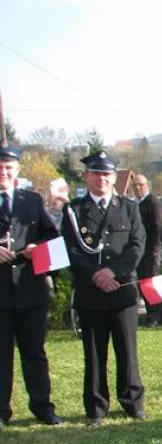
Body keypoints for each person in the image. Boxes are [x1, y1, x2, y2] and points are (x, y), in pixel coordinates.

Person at [59, 151, 146, 427]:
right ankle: (96, 407)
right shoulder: (73, 211)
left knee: (127, 350)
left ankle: (132, 402)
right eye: (96, 173)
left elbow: (137, 245)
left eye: (107, 174)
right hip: (91, 292)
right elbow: (70, 250)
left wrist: (113, 271)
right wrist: (96, 275)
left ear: (114, 177)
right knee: (95, 353)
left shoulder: (129, 207)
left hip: (122, 291)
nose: (102, 179)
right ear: (87, 177)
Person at [0, 147, 64, 429]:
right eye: (0, 168)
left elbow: (52, 236)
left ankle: (42, 407)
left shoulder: (32, 201)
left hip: (30, 290)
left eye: (9, 169)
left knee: (34, 353)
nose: (4, 173)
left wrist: (37, 248)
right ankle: (1, 411)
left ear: (17, 172)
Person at [131, 174, 162, 326]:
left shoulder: (153, 202)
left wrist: (155, 248)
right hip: (138, 250)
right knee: (141, 282)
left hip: (151, 249)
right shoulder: (133, 203)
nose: (138, 188)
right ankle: (152, 312)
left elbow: (158, 226)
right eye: (135, 185)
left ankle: (155, 316)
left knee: (151, 282)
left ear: (147, 185)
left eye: (141, 185)